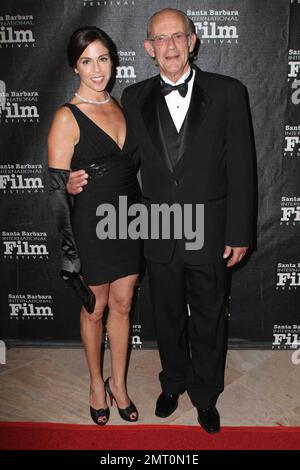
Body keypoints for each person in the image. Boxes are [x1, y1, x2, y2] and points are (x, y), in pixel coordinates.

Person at [67, 9, 254, 433]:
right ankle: (172, 383)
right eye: (160, 39)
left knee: (208, 314)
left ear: (192, 41)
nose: (169, 46)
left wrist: (239, 230)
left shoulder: (229, 92)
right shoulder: (133, 98)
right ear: (149, 48)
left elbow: (243, 167)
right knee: (165, 313)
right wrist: (76, 177)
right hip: (158, 227)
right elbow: (117, 157)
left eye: (177, 37)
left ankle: (206, 395)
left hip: (210, 225)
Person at [48, 26, 142, 426]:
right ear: (75, 67)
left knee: (123, 305)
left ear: (113, 61)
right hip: (91, 224)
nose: (97, 68)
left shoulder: (123, 106)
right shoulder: (66, 117)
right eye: (87, 61)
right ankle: (95, 385)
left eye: (103, 58)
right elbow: (55, 190)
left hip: (131, 220)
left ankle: (119, 385)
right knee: (96, 309)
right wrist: (70, 249)